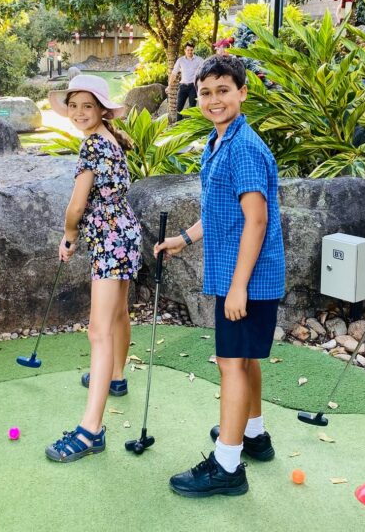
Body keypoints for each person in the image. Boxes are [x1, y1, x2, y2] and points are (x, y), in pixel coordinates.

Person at [155, 55, 284, 497]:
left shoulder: (244, 148)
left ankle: (227, 466)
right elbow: (220, 212)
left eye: (223, 90)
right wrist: (183, 240)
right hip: (243, 276)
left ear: (242, 93)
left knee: (231, 364)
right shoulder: (220, 142)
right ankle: (253, 435)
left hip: (247, 278)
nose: (213, 100)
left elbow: (256, 220)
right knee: (243, 359)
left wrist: (238, 285)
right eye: (206, 92)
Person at [43, 74, 142, 462]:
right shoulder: (112, 141)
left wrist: (69, 236)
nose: (80, 112)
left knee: (97, 331)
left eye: (88, 106)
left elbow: (77, 206)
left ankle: (90, 432)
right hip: (125, 234)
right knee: (117, 315)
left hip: (110, 241)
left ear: (101, 109)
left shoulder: (91, 148)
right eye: (74, 106)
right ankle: (115, 378)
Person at [170, 42, 204, 120]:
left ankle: (191, 127)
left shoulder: (199, 60)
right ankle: (178, 125)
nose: (190, 52)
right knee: (179, 106)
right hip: (183, 86)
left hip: (193, 86)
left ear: (193, 50)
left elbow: (205, 68)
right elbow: (174, 73)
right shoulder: (180, 60)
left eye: (191, 50)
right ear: (185, 50)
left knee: (192, 107)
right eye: (188, 50)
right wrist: (169, 86)